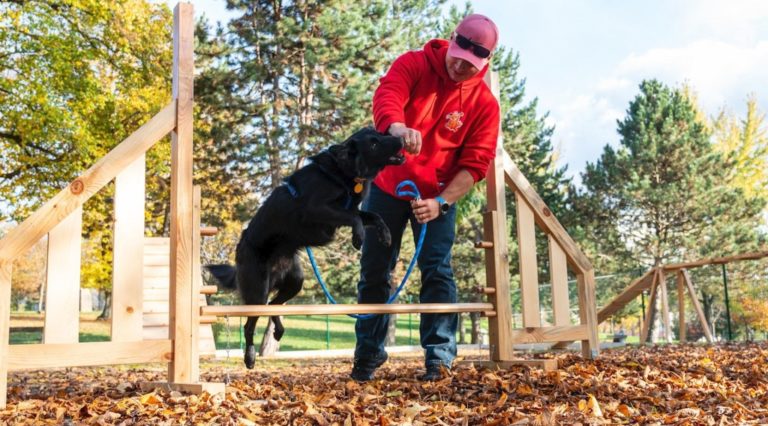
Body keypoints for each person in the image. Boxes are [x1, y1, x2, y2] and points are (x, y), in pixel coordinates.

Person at [351, 14, 501, 382]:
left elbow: (476, 163)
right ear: (452, 40)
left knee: (437, 271)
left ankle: (439, 356)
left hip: (436, 199)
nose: (459, 65)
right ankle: (368, 355)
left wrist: (442, 203)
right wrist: (396, 127)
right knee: (374, 270)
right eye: (457, 55)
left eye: (470, 64)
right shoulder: (414, 63)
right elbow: (388, 95)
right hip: (386, 187)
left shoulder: (484, 104)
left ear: (484, 64)